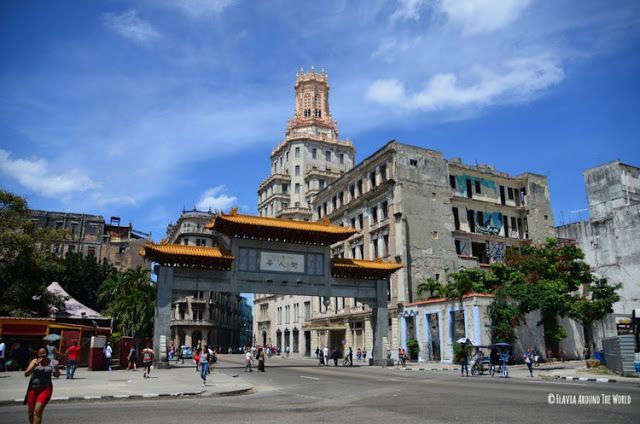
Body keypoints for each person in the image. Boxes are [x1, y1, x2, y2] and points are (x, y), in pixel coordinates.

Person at [24, 347, 60, 424]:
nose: (42, 355)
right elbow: (26, 374)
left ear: (47, 354)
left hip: (46, 389)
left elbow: (57, 375)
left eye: (44, 353)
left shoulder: (52, 362)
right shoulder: (34, 361)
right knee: (31, 413)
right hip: (32, 389)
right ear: (38, 354)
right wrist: (35, 365)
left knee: (37, 412)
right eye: (40, 353)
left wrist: (55, 368)